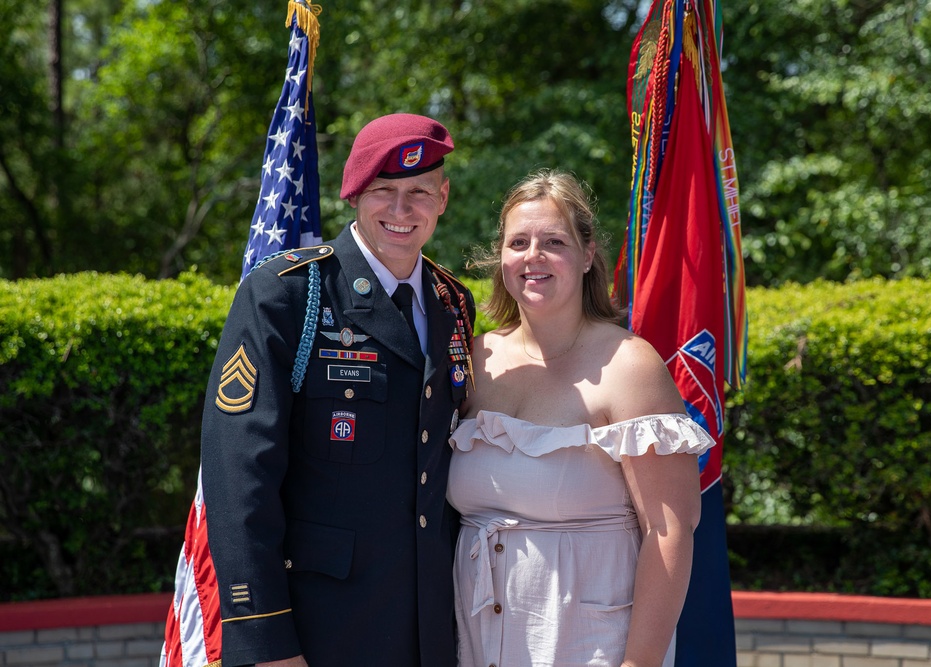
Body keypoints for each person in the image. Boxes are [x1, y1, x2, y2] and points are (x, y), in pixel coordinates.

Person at [200, 113, 475, 667]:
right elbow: (239, 475)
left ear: (442, 198)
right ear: (354, 194)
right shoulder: (288, 295)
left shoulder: (455, 304)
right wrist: (266, 639)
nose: (402, 210)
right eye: (384, 191)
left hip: (430, 627)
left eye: (419, 191)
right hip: (317, 632)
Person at [447, 170, 714, 667]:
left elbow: (670, 529)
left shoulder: (630, 365)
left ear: (588, 255)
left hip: (590, 646)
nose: (533, 256)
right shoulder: (473, 362)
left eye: (554, 241)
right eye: (519, 242)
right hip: (477, 642)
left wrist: (641, 662)